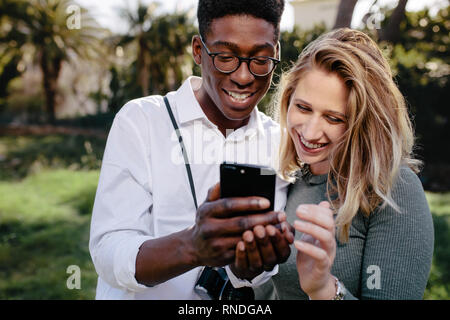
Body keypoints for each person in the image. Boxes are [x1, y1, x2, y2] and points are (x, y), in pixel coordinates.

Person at [89, 0, 294, 300]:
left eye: (261, 59)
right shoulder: (141, 121)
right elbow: (108, 251)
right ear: (198, 50)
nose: (244, 76)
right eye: (225, 56)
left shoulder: (279, 142)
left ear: (275, 54)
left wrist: (250, 262)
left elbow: (251, 274)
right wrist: (192, 247)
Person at [253, 28, 434, 300]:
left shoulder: (391, 189)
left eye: (334, 118)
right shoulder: (291, 181)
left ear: (363, 123)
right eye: (303, 108)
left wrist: (324, 289)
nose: (311, 132)